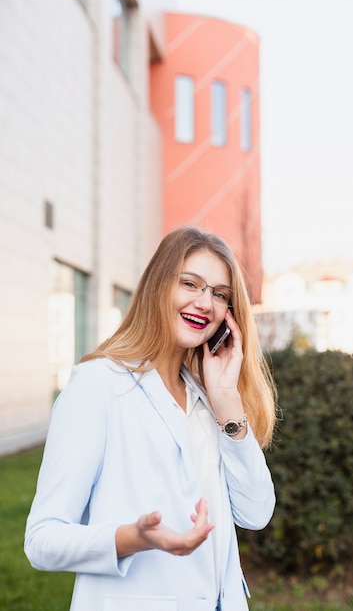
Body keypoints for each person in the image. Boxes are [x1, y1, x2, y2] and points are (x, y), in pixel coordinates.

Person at [25, 226, 277, 611]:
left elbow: (256, 513)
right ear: (158, 286)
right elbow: (42, 540)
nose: (205, 303)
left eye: (219, 294)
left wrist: (227, 402)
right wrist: (133, 537)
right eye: (190, 284)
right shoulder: (99, 385)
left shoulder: (209, 398)